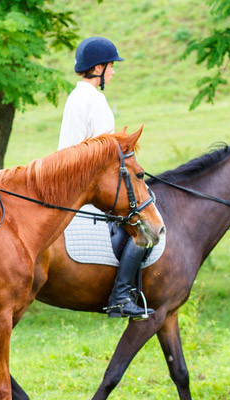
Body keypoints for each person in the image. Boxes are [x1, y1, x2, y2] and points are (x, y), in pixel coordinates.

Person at [58, 37, 154, 319]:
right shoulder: (95, 99)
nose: (113, 72)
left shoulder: (76, 96)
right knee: (143, 231)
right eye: (111, 66)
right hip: (90, 183)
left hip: (69, 180)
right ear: (98, 68)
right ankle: (121, 296)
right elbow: (106, 154)